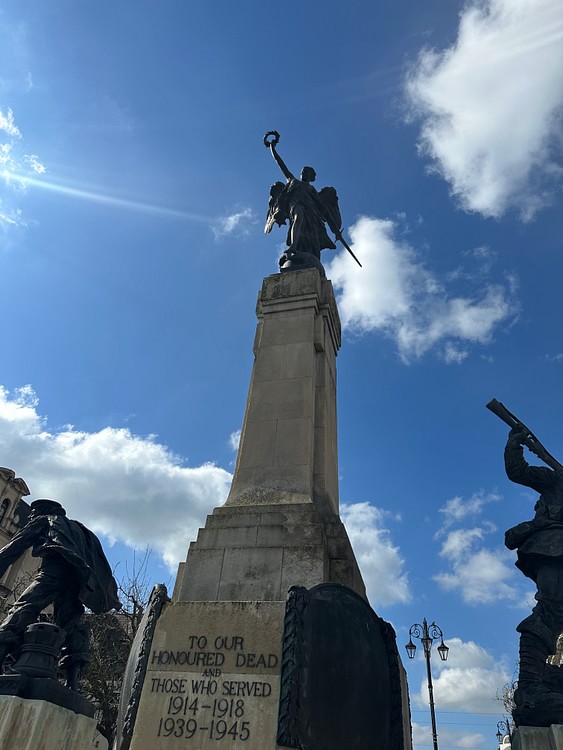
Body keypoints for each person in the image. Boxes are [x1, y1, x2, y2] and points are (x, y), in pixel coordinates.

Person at [0, 498, 120, 688]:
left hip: (52, 574)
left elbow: (12, 549)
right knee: (71, 625)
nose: (30, 517)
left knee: (22, 609)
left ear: (42, 511)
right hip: (76, 581)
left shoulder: (44, 520)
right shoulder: (82, 531)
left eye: (32, 514)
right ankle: (73, 684)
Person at [504, 426, 563, 723]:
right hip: (555, 548)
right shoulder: (557, 479)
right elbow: (518, 471)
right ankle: (530, 685)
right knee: (551, 609)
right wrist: (515, 444)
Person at [264, 132, 342, 267]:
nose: (303, 173)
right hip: (296, 206)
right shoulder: (293, 181)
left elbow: (325, 212)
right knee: (298, 218)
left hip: (312, 215)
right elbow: (280, 163)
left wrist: (336, 232)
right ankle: (293, 246)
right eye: (303, 171)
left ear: (312, 177)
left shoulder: (312, 190)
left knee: (311, 237)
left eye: (307, 172)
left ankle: (306, 253)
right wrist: (272, 148)